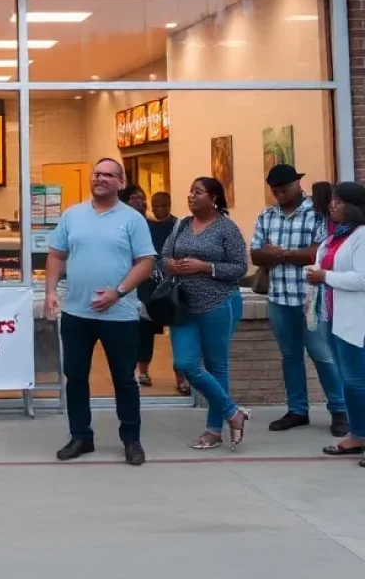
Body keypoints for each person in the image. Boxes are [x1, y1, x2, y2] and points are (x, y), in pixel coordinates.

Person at [45, 158, 157, 466]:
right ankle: (81, 436)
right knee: (76, 377)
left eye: (108, 175)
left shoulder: (132, 219)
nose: (100, 179)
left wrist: (117, 292)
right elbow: (56, 256)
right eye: (97, 174)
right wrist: (50, 292)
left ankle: (131, 440)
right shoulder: (73, 215)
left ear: (120, 182)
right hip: (77, 313)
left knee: (124, 378)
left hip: (118, 314)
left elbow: (146, 263)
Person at [251, 164, 348, 437]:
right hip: (279, 297)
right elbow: (256, 255)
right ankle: (297, 410)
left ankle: (340, 410)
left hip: (311, 298)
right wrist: (288, 254)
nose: (279, 194)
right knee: (290, 356)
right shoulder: (266, 215)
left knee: (322, 355)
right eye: (274, 190)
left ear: (297, 184)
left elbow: (319, 253)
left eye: (283, 188)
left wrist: (280, 254)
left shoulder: (317, 214)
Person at [162, 178, 251, 450]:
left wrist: (205, 267)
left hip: (219, 303)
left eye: (197, 192)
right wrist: (172, 266)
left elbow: (240, 268)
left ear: (213, 197)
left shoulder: (226, 228)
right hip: (183, 307)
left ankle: (214, 430)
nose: (191, 196)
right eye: (190, 191)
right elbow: (163, 256)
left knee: (216, 365)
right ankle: (233, 413)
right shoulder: (181, 225)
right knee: (185, 364)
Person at [307, 182, 365, 462]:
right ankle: (357, 436)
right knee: (349, 381)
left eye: (339, 201)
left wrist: (325, 277)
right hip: (332, 317)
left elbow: (362, 278)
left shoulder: (362, 236)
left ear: (353, 206)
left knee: (358, 381)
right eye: (332, 201)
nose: (332, 205)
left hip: (357, 321)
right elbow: (329, 266)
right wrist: (317, 271)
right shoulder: (334, 237)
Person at [120, 186, 185, 392]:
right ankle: (144, 371)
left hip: (174, 286)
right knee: (145, 332)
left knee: (179, 334)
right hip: (148, 286)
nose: (159, 210)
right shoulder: (144, 225)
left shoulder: (179, 226)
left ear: (170, 205)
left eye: (163, 206)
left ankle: (181, 378)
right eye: (156, 206)